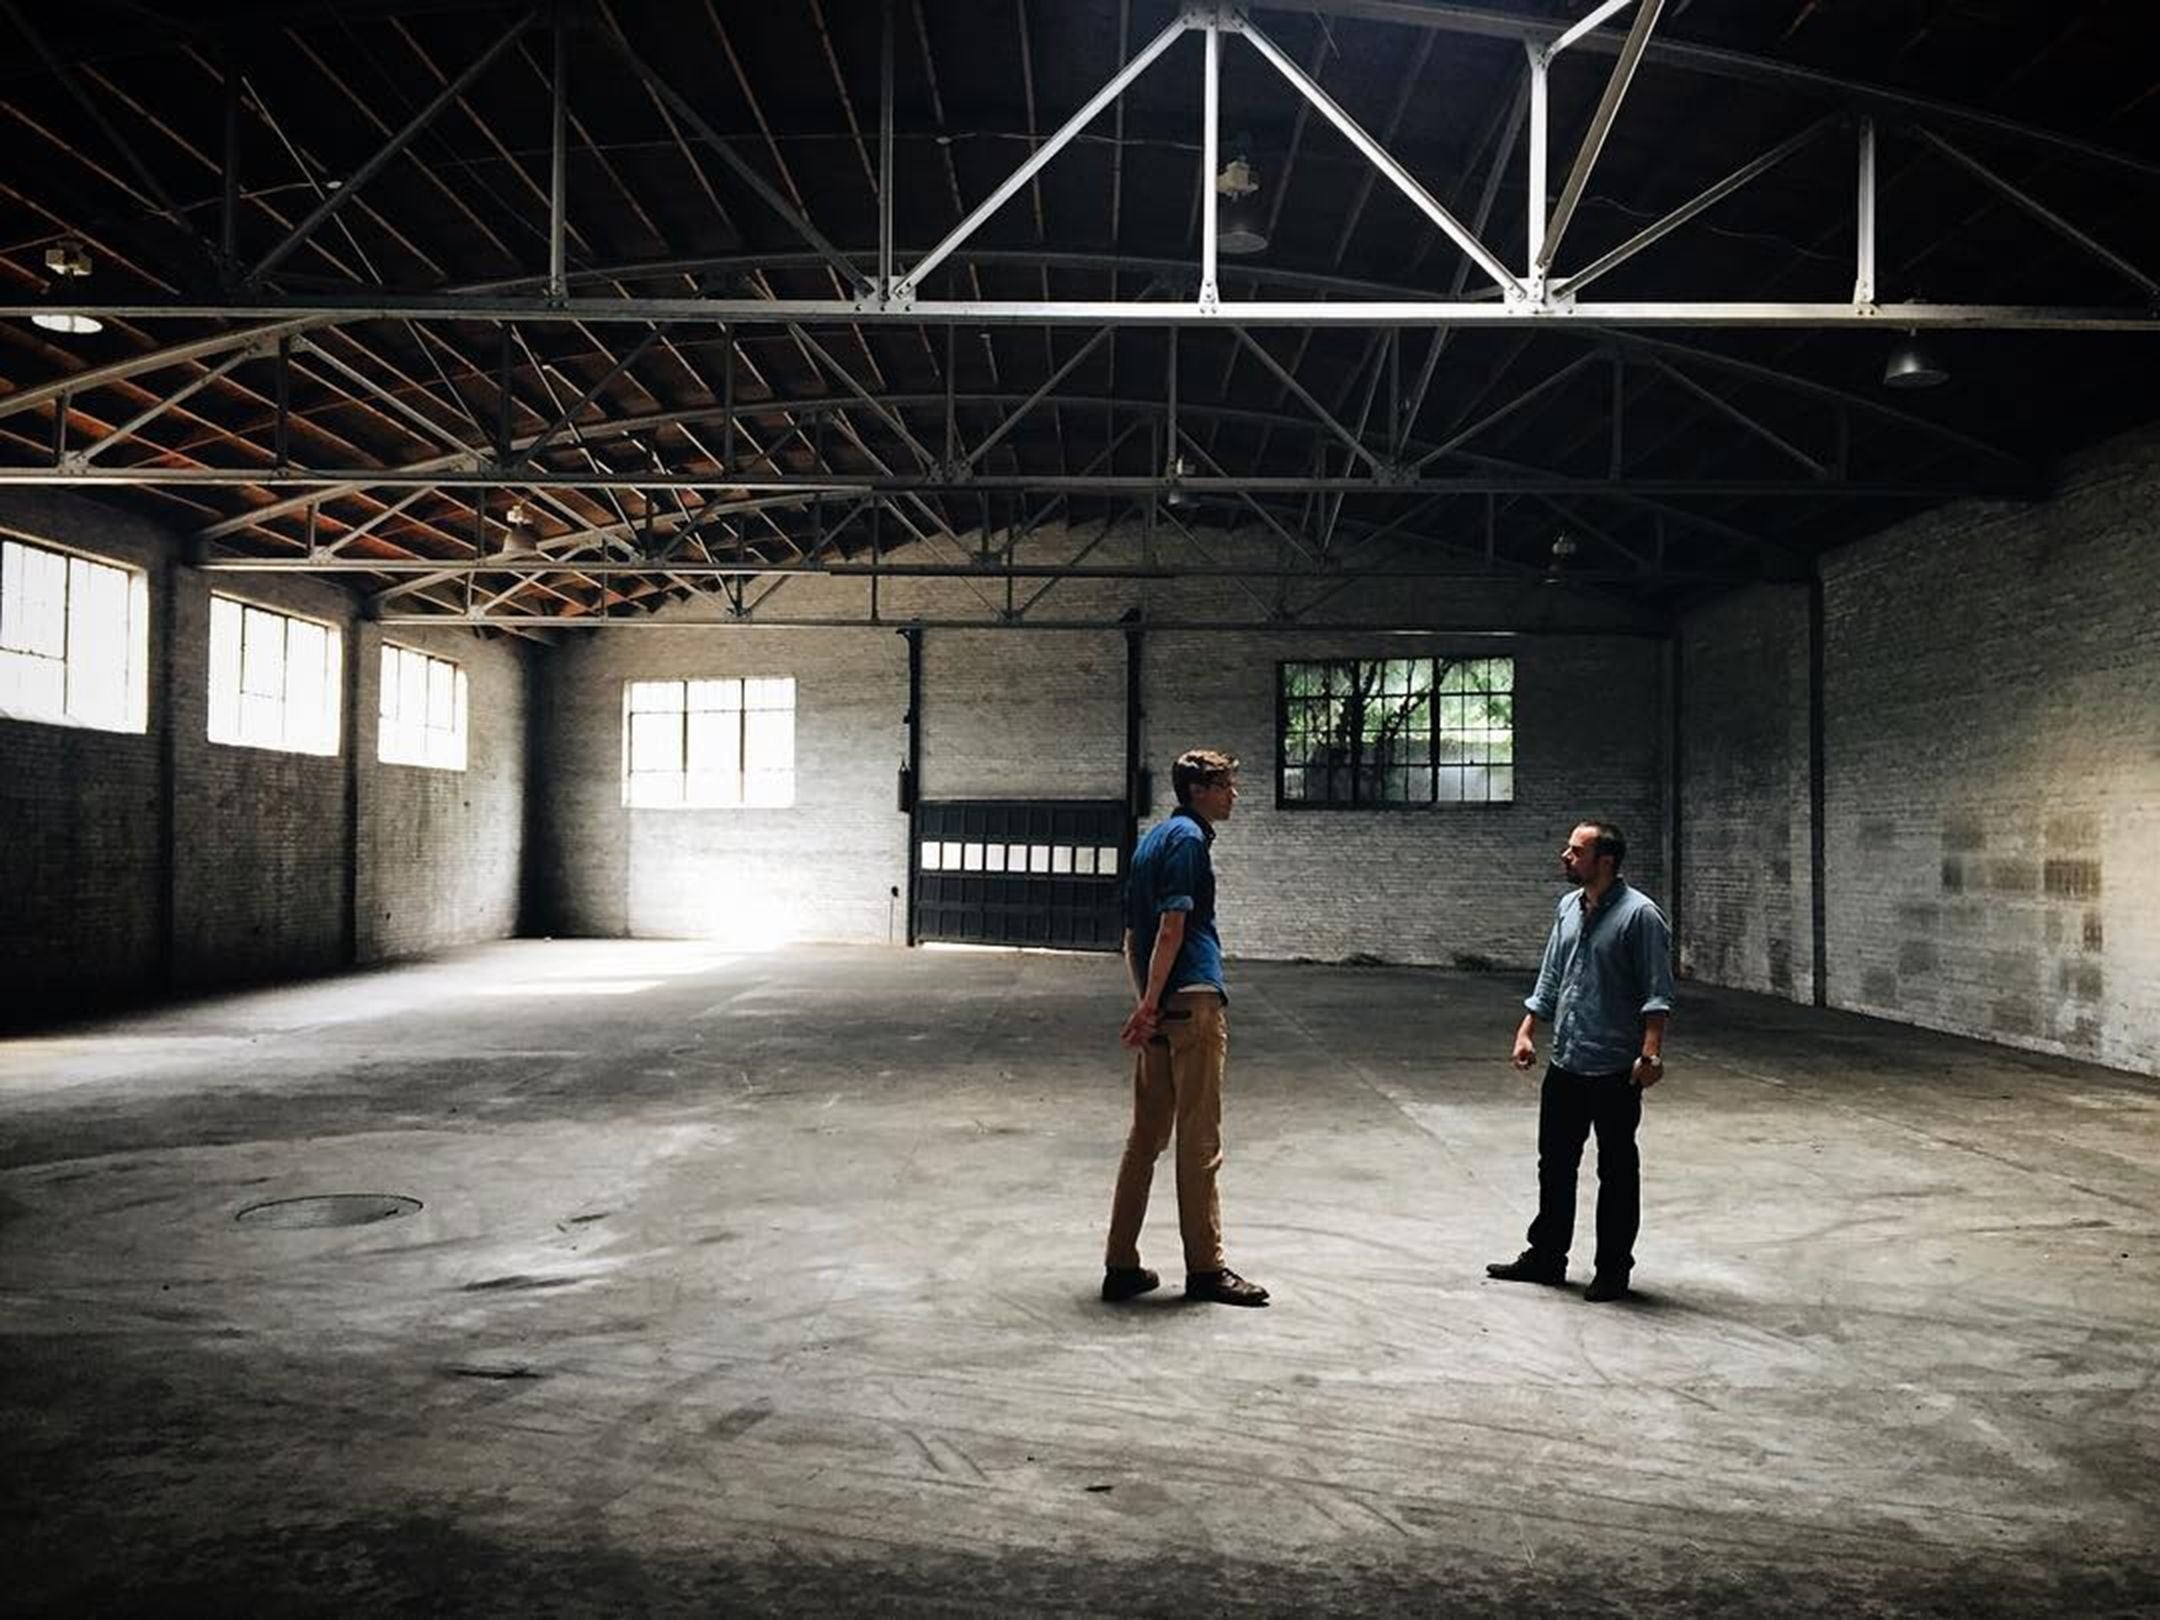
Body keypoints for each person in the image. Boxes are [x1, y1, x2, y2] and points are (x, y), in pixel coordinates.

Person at [1101, 748, 1269, 1308]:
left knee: (1143, 1140)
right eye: (1225, 785)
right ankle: (1206, 1270)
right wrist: (1151, 1004)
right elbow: (1171, 928)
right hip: (1192, 1001)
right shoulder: (1190, 842)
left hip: (1159, 1008)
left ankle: (1120, 1263)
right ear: (1198, 790)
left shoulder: (1148, 841)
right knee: (1200, 1140)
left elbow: (1133, 937)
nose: (1233, 795)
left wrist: (1145, 1005)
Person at [1488, 820, 1674, 1303]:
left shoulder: (1641, 917)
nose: (1564, 857)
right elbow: (1552, 974)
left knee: (1615, 1171)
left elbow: (1657, 993)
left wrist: (1651, 1053)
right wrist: (1528, 1029)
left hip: (1614, 1067)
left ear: (1605, 861)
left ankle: (1613, 1269)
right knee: (1555, 1163)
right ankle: (1546, 1256)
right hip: (1567, 1062)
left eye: (1575, 851)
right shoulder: (1568, 907)